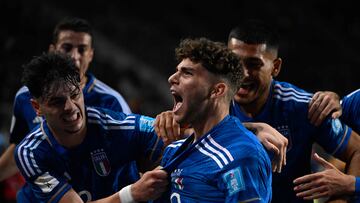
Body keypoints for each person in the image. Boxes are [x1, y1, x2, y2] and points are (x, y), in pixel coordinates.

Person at [227, 19, 360, 202]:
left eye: (254, 64)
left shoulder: (303, 107)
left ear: (275, 67)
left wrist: (344, 196)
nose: (242, 73)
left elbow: (356, 149)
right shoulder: (210, 102)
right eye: (234, 62)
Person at [15, 52, 168, 202]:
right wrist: (131, 194)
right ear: (37, 108)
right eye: (57, 102)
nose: (70, 107)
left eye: (75, 95)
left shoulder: (113, 125)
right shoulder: (30, 154)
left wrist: (170, 124)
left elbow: (170, 131)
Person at [0, 17, 135, 186]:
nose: (74, 56)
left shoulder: (112, 102)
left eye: (82, 49)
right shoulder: (25, 96)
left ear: (91, 54)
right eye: (67, 47)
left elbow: (128, 161)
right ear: (52, 50)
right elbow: (19, 149)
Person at [155, 38, 272, 202]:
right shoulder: (173, 150)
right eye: (177, 70)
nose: (172, 78)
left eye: (187, 73)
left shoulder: (241, 155)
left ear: (217, 90)